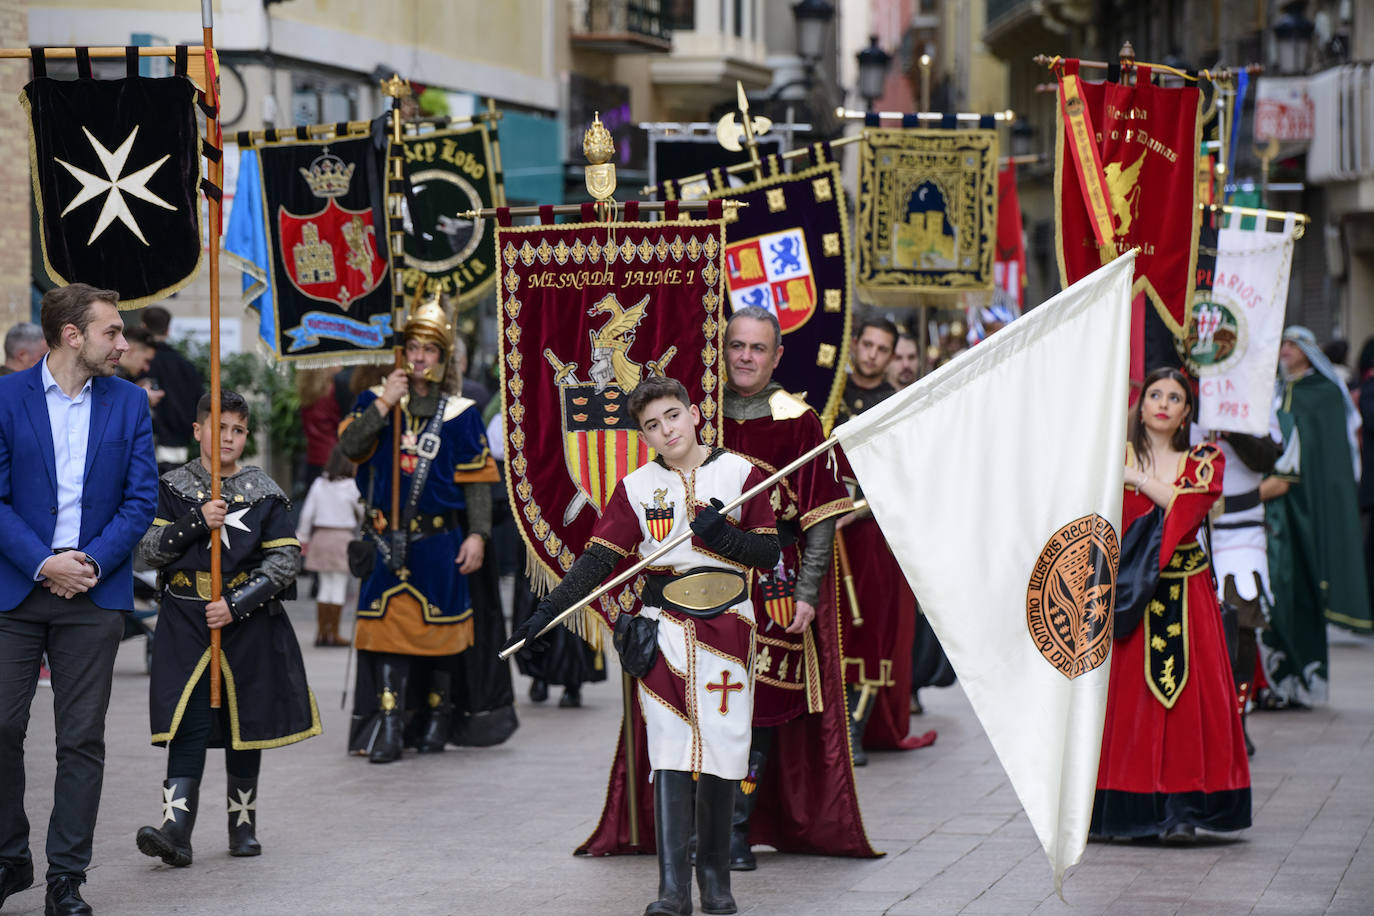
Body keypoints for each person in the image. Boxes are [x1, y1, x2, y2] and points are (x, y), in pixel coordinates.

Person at [508, 375, 779, 916]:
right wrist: (544, 612)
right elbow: (597, 561)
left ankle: (716, 883)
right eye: (652, 426)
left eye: (673, 416)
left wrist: (723, 536)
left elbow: (768, 554)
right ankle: (673, 890)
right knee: (670, 752)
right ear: (644, 436)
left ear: (694, 413)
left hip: (729, 628)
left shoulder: (743, 475)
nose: (666, 430)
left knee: (725, 748)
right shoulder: (635, 489)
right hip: (666, 630)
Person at [0, 284, 157, 915]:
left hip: (93, 593)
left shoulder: (130, 404)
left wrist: (86, 562)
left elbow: (140, 500)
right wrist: (43, 562)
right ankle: (11, 858)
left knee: (81, 739)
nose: (123, 344)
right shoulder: (6, 398)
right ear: (72, 335)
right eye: (112, 332)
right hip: (16, 589)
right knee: (3, 725)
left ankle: (67, 877)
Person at [133, 390, 318, 867]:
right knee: (188, 720)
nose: (229, 437)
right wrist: (196, 521)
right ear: (199, 431)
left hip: (245, 622)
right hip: (184, 618)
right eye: (220, 428)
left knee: (244, 724)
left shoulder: (263, 490)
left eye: (237, 429)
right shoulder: (172, 486)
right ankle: (176, 829)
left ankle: (242, 825)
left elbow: (285, 559)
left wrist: (236, 604)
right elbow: (146, 551)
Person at [1092, 367, 1250, 841]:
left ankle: (1186, 807)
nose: (1163, 403)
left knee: (1188, 706)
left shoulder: (1204, 459)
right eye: (1155, 394)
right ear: (1140, 407)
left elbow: (1188, 508)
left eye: (1175, 397)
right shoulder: (1107, 458)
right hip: (1126, 602)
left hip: (1188, 596)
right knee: (1130, 706)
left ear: (1185, 413)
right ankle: (1127, 807)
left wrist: (1136, 478)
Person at [339, 296, 498, 762]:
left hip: (439, 542)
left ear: (443, 357)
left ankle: (436, 718)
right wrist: (385, 403)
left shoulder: (462, 413)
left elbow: (477, 486)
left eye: (430, 349)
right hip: (386, 539)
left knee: (441, 637)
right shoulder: (374, 403)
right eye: (414, 347)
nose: (420, 357)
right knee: (386, 633)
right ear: (402, 352)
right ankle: (389, 727)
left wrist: (479, 534)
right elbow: (350, 447)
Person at [833, 316, 935, 762]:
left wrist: (852, 512)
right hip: (823, 532)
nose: (872, 355)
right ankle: (825, 728)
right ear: (854, 345)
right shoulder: (828, 397)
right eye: (867, 345)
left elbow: (903, 481)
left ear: (891, 356)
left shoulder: (898, 407)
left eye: (882, 349)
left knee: (869, 630)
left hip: (870, 534)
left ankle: (854, 727)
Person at [1261, 327, 1370, 706]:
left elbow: (1336, 462)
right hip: (1269, 508)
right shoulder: (1270, 392)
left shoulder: (1323, 395)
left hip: (1307, 508)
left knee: (1304, 587)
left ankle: (1305, 684)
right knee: (1272, 593)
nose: (1285, 350)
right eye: (1282, 344)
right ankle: (1272, 683)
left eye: (1293, 344)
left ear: (1309, 350)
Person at [1209, 419, 1282, 757]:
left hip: (1242, 532)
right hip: (1189, 520)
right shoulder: (1179, 389)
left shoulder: (1255, 390)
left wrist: (1230, 428)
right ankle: (1203, 723)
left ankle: (1237, 721)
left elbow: (1267, 458)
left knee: (1241, 625)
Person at [296, 445, 362, 647]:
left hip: (321, 537)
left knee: (324, 586)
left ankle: (322, 633)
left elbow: (307, 513)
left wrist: (302, 537)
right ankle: (334, 633)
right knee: (339, 587)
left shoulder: (319, 483)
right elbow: (362, 511)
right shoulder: (352, 486)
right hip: (342, 538)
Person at [140, 305, 204, 474]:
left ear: (143, 328)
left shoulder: (139, 364)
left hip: (145, 445)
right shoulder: (186, 365)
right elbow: (201, 402)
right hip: (179, 447)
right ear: (168, 330)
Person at [115, 326, 165, 411]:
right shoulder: (108, 376)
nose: (147, 368)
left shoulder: (117, 375)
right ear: (131, 350)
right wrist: (140, 398)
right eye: (146, 361)